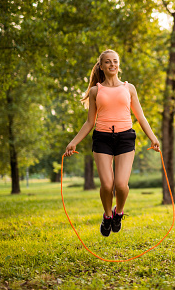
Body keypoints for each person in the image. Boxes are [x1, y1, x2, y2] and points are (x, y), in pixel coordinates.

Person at [64, 49, 160, 236]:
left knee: (121, 185)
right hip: (102, 139)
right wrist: (73, 142)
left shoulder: (129, 88)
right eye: (107, 62)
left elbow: (140, 117)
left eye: (115, 61)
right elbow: (89, 122)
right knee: (107, 185)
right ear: (101, 66)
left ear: (119, 64)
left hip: (125, 138)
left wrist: (153, 138)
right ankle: (107, 216)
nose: (112, 65)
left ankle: (118, 212)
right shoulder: (95, 91)